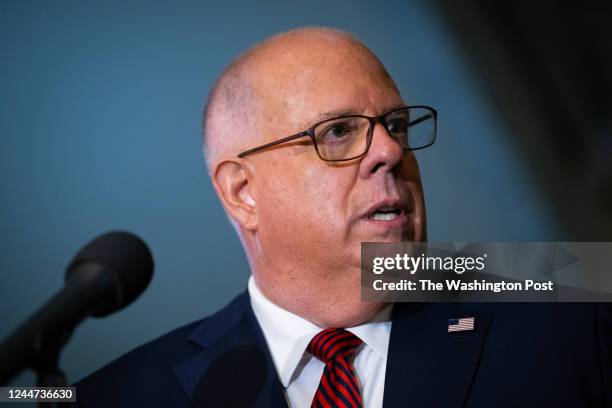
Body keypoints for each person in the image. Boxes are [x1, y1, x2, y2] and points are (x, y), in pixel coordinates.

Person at [75, 27, 611, 407]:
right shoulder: (110, 395)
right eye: (338, 132)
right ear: (242, 192)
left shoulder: (571, 301)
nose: (390, 152)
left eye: (396, 124)